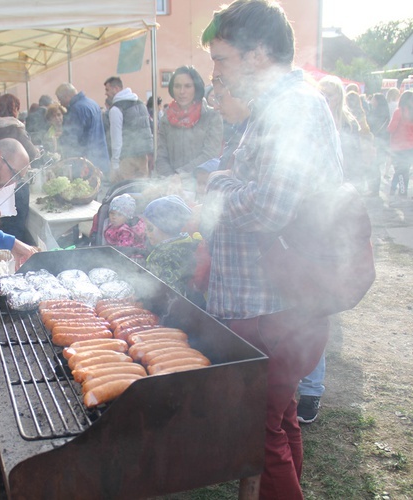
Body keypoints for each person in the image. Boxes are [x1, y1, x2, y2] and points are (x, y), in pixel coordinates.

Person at [200, 1, 344, 497]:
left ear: (257, 54)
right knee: (280, 423)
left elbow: (268, 209)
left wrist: (217, 189)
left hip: (272, 307)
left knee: (262, 437)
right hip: (274, 305)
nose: (215, 70)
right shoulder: (278, 106)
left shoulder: (293, 108)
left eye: (220, 58)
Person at [155, 65, 223, 193]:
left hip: (201, 186)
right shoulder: (166, 119)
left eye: (187, 86)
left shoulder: (211, 116)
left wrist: (180, 174)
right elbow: (161, 156)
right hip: (171, 186)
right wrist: (171, 178)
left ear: (196, 88)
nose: (182, 91)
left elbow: (209, 154)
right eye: (177, 86)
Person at [142, 195, 204, 307]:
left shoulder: (166, 257)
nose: (146, 232)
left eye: (150, 228)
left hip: (166, 312)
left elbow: (168, 294)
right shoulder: (183, 244)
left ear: (165, 227)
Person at [103, 76, 154, 182]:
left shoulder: (116, 109)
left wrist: (115, 164)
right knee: (142, 191)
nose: (106, 93)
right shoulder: (141, 104)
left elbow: (116, 139)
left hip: (126, 158)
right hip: (143, 156)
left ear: (116, 89)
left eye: (107, 90)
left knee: (126, 192)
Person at [55, 82, 111, 175]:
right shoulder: (92, 103)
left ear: (66, 96)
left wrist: (61, 141)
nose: (61, 104)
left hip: (86, 163)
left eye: (60, 100)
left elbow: (71, 139)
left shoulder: (76, 109)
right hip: (100, 157)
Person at [0, 94, 40, 161]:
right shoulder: (16, 129)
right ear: (15, 109)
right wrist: (37, 151)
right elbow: (32, 153)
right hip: (13, 169)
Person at [102, 193, 146, 260]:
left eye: (119, 214)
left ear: (127, 217)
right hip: (115, 251)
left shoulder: (125, 232)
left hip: (131, 258)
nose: (114, 217)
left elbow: (123, 251)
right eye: (112, 213)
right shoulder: (115, 224)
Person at [388, 90, 413, 197]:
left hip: (398, 147)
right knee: (405, 170)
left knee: (399, 170)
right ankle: (401, 191)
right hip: (410, 146)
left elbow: (391, 128)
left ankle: (397, 190)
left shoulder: (399, 112)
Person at [367, 92, 391, 194]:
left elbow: (371, 126)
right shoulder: (385, 112)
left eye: (373, 99)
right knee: (376, 165)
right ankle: (374, 189)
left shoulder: (376, 112)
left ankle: (374, 189)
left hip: (376, 141)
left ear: (377, 101)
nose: (371, 100)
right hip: (383, 141)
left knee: (374, 165)